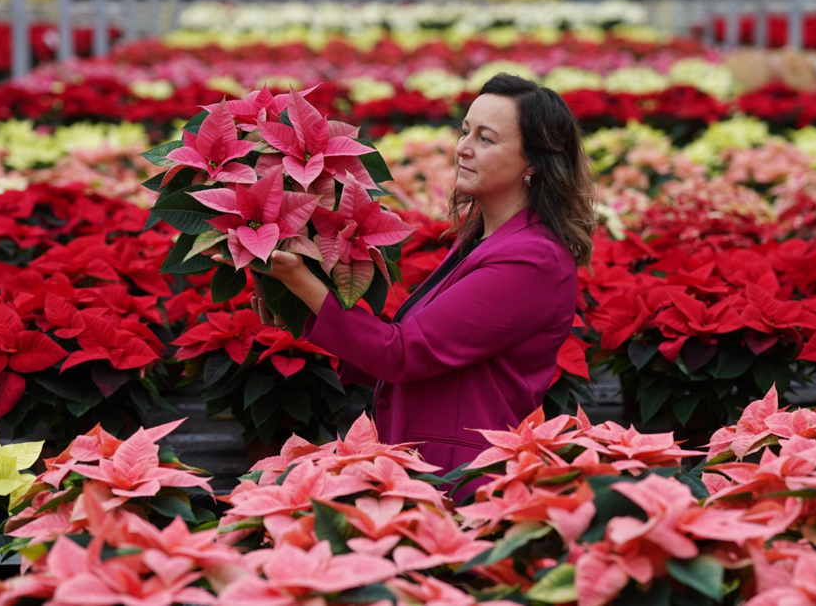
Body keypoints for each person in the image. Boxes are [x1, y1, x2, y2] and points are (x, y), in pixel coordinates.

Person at [250, 73, 597, 477]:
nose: (463, 149)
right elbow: (422, 354)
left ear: (533, 162)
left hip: (457, 475)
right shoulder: (485, 238)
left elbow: (401, 353)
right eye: (464, 132)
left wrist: (301, 281)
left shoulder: (531, 260)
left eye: (486, 139)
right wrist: (303, 311)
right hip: (427, 460)